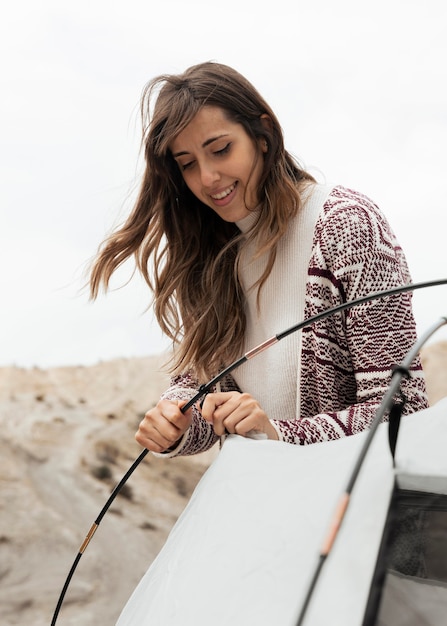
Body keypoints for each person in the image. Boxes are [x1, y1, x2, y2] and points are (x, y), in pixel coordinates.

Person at [89, 61, 428, 460]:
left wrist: (277, 434)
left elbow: (403, 413)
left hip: (355, 510)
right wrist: (177, 422)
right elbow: (206, 387)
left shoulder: (347, 225)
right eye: (188, 164)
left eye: (220, 150)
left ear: (262, 135)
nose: (208, 177)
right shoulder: (212, 256)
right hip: (265, 503)